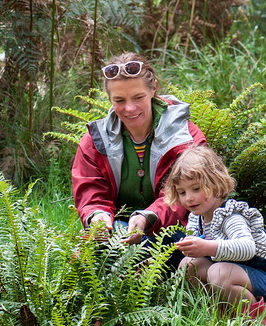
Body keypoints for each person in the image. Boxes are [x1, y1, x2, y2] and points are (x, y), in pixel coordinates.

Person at [71, 52, 206, 243]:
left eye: (138, 97)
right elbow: (91, 194)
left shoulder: (186, 137)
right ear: (109, 99)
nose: (130, 108)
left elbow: (184, 197)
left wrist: (147, 216)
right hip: (116, 231)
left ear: (153, 89)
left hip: (174, 233)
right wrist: (97, 216)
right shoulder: (94, 142)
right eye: (119, 100)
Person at [167, 145, 266, 325]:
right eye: (182, 192)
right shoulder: (196, 219)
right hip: (242, 280)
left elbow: (247, 248)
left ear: (215, 183)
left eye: (195, 189)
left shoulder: (230, 216)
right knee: (189, 265)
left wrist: (208, 247)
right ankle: (221, 316)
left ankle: (255, 322)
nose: (188, 198)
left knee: (220, 272)